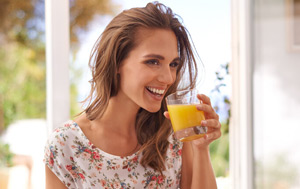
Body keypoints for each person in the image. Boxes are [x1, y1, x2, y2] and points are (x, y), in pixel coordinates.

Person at [44, 2, 221, 189]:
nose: (168, 78)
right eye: (153, 61)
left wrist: (201, 148)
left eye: (173, 64)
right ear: (117, 61)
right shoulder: (66, 145)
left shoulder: (174, 133)